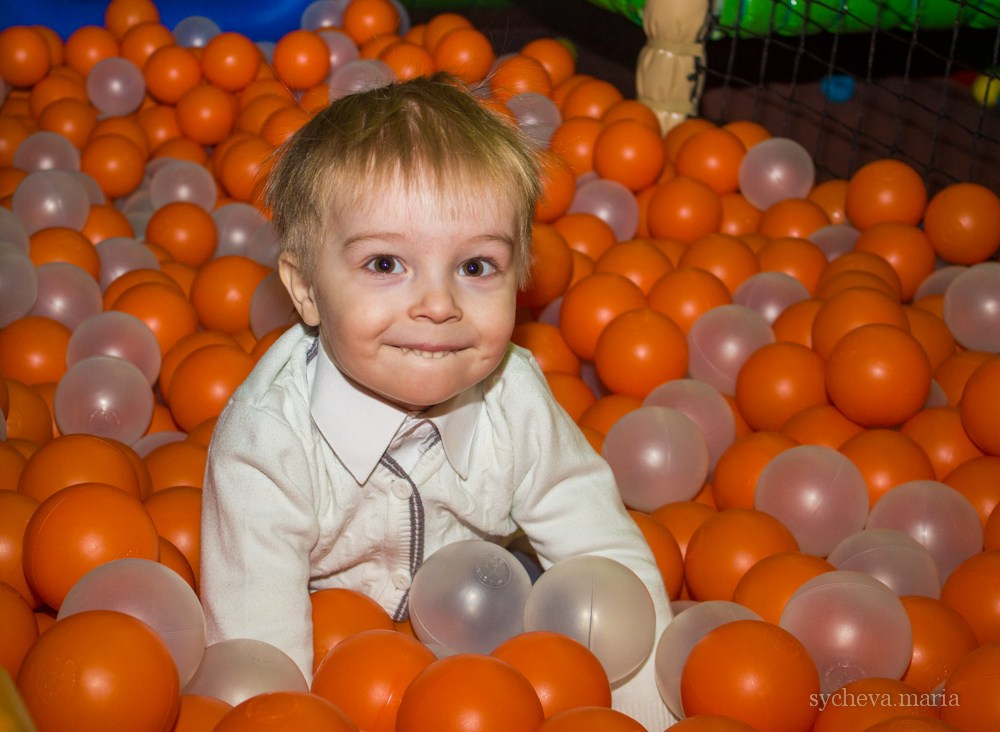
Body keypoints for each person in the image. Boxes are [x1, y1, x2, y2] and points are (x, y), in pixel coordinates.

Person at [199, 73, 675, 730]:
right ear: (305, 288)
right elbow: (259, 656)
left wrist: (652, 716)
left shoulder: (516, 399)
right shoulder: (266, 444)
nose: (439, 304)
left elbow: (605, 561)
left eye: (476, 267)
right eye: (385, 264)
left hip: (482, 657)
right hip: (339, 669)